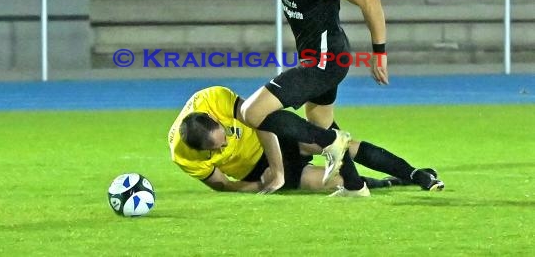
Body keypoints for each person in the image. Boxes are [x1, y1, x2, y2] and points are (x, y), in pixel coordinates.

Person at [218, 0, 389, 196]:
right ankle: (355, 187)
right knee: (319, 120)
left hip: (327, 62)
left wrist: (379, 53)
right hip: (319, 60)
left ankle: (329, 143)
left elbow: (370, 0)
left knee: (251, 111)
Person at [168, 86, 445, 195]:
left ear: (213, 119)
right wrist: (260, 184)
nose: (225, 145)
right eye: (218, 149)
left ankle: (414, 172)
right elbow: (223, 184)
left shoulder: (212, 98)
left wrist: (278, 172)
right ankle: (395, 182)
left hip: (274, 135)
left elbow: (261, 119)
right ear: (200, 151)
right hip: (255, 171)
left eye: (224, 137)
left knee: (340, 147)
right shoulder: (183, 156)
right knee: (329, 183)